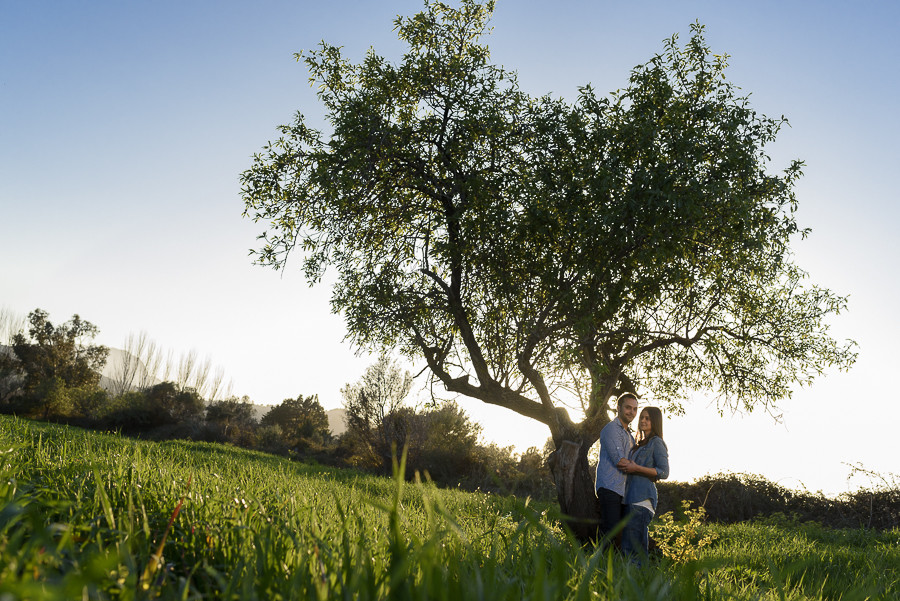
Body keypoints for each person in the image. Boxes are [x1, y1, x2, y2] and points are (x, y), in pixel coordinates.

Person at [618, 406, 669, 564]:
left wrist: (636, 468)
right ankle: (640, 583)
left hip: (642, 500)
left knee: (630, 550)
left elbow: (664, 472)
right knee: (633, 548)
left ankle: (633, 585)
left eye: (648, 418)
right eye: (642, 418)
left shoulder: (657, 443)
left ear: (655, 421)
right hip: (630, 499)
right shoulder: (638, 444)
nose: (643, 421)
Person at [594, 392, 638, 546]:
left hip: (623, 491)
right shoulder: (611, 429)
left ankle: (615, 565)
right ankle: (599, 564)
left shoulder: (628, 435)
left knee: (620, 533)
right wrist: (641, 470)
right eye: (628, 407)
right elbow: (620, 461)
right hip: (610, 487)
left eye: (634, 409)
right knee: (610, 531)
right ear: (618, 408)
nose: (631, 412)